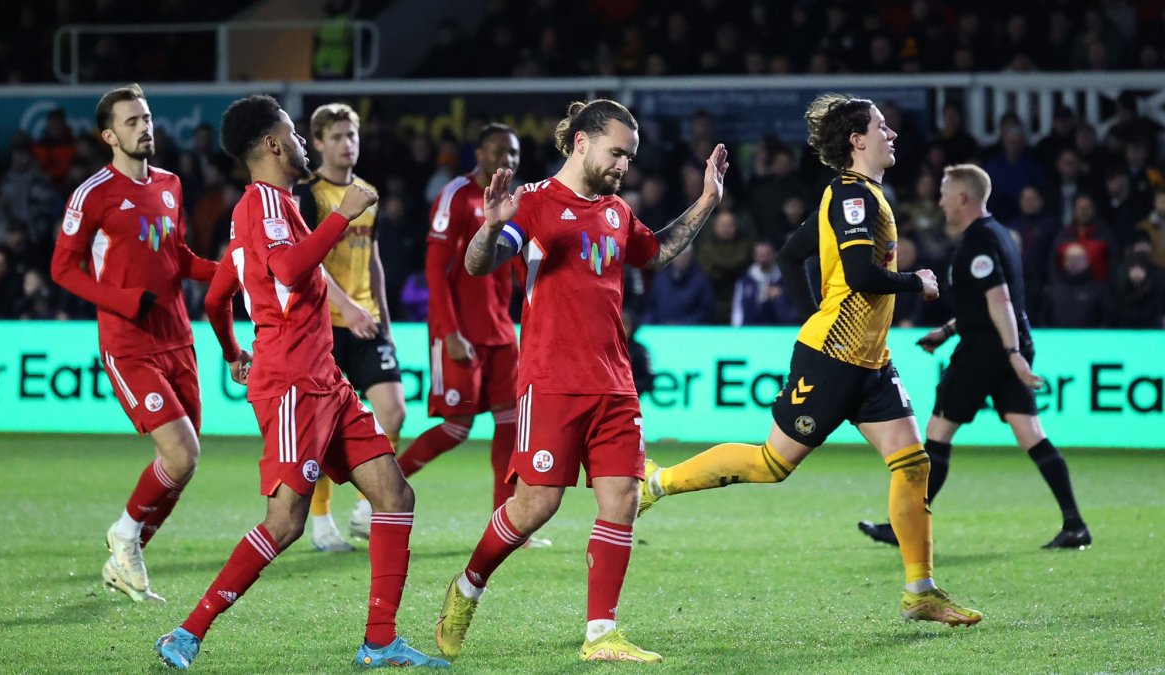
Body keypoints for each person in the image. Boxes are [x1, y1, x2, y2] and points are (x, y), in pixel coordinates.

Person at [638, 93, 982, 628]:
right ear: (857, 140)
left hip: (869, 359)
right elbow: (863, 275)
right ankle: (655, 483)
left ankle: (921, 592)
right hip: (834, 358)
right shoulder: (853, 198)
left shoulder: (855, 194)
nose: (891, 134)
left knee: (913, 465)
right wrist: (917, 281)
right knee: (771, 464)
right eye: (881, 127)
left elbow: (791, 255)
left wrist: (811, 313)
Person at [154, 95, 446, 670]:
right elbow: (288, 270)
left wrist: (234, 349)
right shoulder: (261, 205)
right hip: (292, 388)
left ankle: (380, 642)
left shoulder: (275, 208)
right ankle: (186, 633)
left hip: (325, 383)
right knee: (285, 521)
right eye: (294, 130)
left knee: (394, 494)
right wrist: (345, 213)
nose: (304, 141)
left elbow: (218, 295)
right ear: (272, 143)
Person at [434, 99, 729, 663]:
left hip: (615, 384)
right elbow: (481, 263)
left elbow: (659, 251)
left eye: (631, 156)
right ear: (582, 143)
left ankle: (601, 634)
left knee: (621, 498)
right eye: (618, 153)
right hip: (551, 383)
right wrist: (492, 225)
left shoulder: (617, 212)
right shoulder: (537, 205)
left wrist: (707, 201)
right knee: (534, 507)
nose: (624, 165)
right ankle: (468, 586)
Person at [858, 164, 1092, 550]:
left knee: (937, 434)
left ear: (963, 198)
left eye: (945, 194)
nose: (940, 201)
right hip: (999, 346)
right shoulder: (998, 233)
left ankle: (906, 528)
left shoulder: (977, 243)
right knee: (1030, 433)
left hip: (984, 354)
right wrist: (949, 331)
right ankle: (1074, 524)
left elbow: (998, 301)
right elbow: (988, 305)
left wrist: (1011, 353)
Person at [50, 84, 216, 604]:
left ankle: (125, 555)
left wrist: (232, 271)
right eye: (131, 122)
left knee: (183, 466)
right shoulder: (93, 194)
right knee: (180, 451)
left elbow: (179, 255)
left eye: (146, 118)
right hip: (128, 344)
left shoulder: (170, 184)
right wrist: (121, 301)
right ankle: (125, 535)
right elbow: (61, 268)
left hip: (179, 339)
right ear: (109, 136)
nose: (144, 127)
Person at [394, 123, 548, 547]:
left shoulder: (518, 201)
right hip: (461, 331)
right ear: (478, 154)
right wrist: (448, 332)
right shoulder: (456, 196)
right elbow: (435, 270)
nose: (509, 160)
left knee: (511, 425)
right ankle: (379, 492)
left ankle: (507, 525)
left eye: (514, 153)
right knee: (457, 428)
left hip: (501, 331)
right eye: (500, 151)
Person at [292, 102, 404, 552]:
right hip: (327, 324)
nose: (346, 144)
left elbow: (372, 259)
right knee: (320, 428)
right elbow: (307, 260)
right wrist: (347, 308)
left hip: (366, 321)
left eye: (351, 136)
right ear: (318, 143)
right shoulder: (310, 195)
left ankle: (363, 509)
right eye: (337, 137)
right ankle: (321, 524)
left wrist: (382, 317)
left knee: (393, 411)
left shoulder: (366, 192)